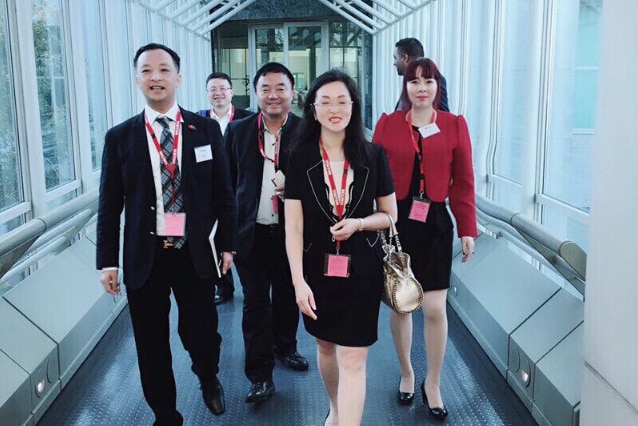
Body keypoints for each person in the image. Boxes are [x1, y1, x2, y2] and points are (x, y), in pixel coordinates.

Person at [96, 43, 237, 425]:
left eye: (163, 69)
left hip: (194, 251)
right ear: (137, 78)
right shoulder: (119, 137)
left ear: (179, 77)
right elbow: (109, 205)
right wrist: (107, 261)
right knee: (150, 341)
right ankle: (165, 412)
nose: (155, 77)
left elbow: (223, 193)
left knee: (204, 332)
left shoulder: (204, 129)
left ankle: (208, 375)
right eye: (146, 70)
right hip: (146, 254)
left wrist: (227, 245)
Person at [285, 69, 397, 426]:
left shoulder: (373, 155)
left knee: (354, 358)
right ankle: (335, 408)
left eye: (342, 101)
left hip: (363, 269)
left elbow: (390, 215)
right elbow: (294, 226)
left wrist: (360, 223)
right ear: (313, 108)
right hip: (316, 270)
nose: (335, 108)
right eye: (326, 101)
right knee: (325, 346)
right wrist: (298, 282)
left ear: (354, 106)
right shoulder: (298, 157)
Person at [372, 57, 477, 421]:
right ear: (406, 87)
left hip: (434, 221)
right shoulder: (387, 125)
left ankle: (433, 381)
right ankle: (406, 371)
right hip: (397, 221)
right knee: (401, 304)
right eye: (414, 81)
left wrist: (467, 229)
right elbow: (373, 176)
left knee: (433, 309)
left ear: (437, 87)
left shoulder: (453, 125)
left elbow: (464, 181)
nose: (421, 88)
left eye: (428, 81)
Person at [225, 62, 309, 404]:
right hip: (252, 233)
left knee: (289, 295)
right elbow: (227, 186)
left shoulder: (307, 132)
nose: (273, 95)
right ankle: (259, 375)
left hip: (293, 233)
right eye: (265, 88)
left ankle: (286, 347)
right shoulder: (238, 131)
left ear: (292, 92)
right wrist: (225, 239)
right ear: (256, 92)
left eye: (280, 88)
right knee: (255, 304)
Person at [197, 71, 254, 305]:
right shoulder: (197, 122)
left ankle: (250, 282)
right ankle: (224, 285)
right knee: (216, 237)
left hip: (240, 187)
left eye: (223, 88)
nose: (218, 93)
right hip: (211, 190)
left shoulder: (247, 119)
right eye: (213, 89)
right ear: (207, 93)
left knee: (240, 235)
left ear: (232, 92)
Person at [393, 37, 449, 112]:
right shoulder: (409, 81)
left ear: (405, 58)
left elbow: (444, 115)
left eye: (395, 58)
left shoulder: (435, 79)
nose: (394, 63)